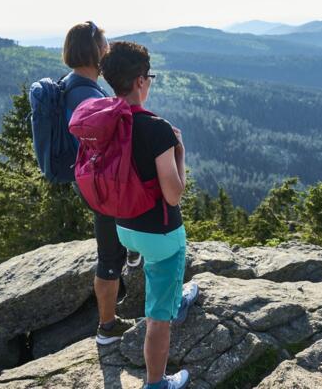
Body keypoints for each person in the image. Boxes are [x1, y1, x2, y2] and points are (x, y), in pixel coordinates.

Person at [99, 41, 198, 389]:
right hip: (161, 236)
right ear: (140, 80)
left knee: (160, 276)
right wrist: (180, 153)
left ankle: (172, 293)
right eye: (149, 76)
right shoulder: (157, 128)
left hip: (123, 227)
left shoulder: (105, 123)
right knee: (159, 317)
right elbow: (173, 194)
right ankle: (157, 383)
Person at [61, 21, 140, 344]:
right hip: (98, 182)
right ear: (93, 50)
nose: (107, 49)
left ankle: (132, 251)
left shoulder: (74, 84)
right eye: (104, 44)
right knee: (109, 256)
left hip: (89, 178)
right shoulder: (85, 92)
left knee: (116, 244)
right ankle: (107, 327)